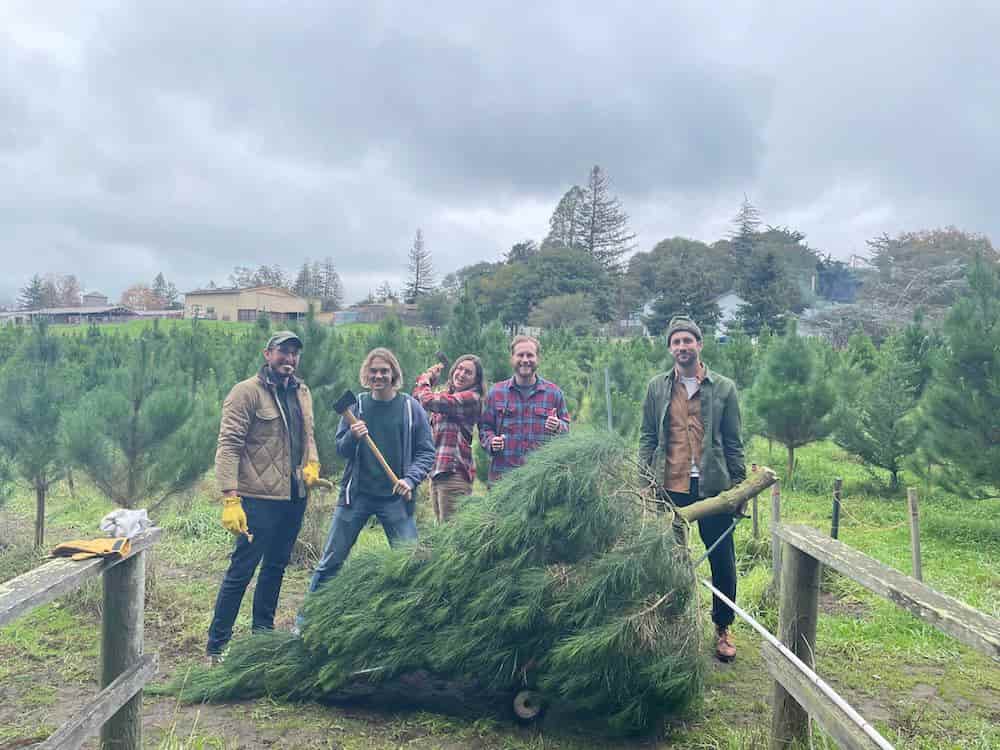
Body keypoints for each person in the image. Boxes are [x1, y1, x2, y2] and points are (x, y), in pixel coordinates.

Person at [207, 330, 332, 663]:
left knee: (276, 567)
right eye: (282, 352)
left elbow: (309, 434)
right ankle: (218, 645)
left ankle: (262, 636)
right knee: (241, 570)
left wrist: (313, 463)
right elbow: (229, 446)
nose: (289, 359)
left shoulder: (302, 391)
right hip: (257, 497)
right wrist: (230, 498)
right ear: (267, 354)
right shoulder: (246, 393)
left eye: (294, 354)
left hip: (293, 496)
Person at [638, 316, 746, 662]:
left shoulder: (724, 387)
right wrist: (643, 479)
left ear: (700, 344)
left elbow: (733, 442)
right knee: (671, 558)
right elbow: (647, 437)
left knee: (722, 560)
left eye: (688, 341)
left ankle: (723, 626)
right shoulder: (657, 387)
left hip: (713, 487)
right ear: (670, 348)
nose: (682, 347)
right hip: (671, 484)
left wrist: (740, 487)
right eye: (676, 342)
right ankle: (674, 625)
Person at [306, 347, 435, 593]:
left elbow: (427, 452)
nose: (378, 376)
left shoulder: (410, 408)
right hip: (357, 497)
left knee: (410, 563)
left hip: (395, 499)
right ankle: (304, 622)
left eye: (384, 371)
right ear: (366, 374)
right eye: (373, 371)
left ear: (394, 373)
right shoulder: (355, 407)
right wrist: (353, 436)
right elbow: (341, 450)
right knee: (330, 562)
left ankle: (414, 618)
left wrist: (410, 479)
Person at [479, 335, 570, 482]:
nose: (525, 360)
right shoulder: (496, 393)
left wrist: (558, 426)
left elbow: (567, 431)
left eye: (530, 355)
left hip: (540, 479)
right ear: (512, 359)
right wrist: (491, 441)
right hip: (503, 478)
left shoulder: (554, 393)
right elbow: (485, 427)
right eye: (520, 355)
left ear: (538, 358)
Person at [413, 354, 486, 522]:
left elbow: (427, 399)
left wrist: (425, 379)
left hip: (455, 475)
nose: (461, 374)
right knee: (442, 529)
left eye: (468, 372)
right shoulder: (448, 395)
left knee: (451, 533)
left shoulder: (471, 399)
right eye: (459, 368)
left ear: (476, 380)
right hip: (437, 473)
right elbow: (417, 399)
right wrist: (429, 382)